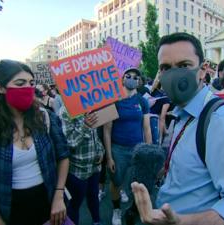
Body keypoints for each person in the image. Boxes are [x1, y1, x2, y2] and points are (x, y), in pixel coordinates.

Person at [131, 32, 224, 225]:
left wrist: (182, 221)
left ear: (203, 69)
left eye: (184, 66)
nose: (174, 74)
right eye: (165, 68)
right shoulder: (182, 113)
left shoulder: (221, 119)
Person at [0, 59, 70, 225]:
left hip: (50, 206)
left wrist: (58, 195)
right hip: (10, 212)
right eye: (20, 83)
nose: (28, 88)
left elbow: (63, 154)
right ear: (0, 88)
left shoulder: (44, 117)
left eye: (31, 83)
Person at [103, 67, 152, 225]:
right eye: (128, 75)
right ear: (122, 79)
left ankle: (132, 210)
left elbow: (147, 127)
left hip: (137, 149)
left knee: (135, 183)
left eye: (136, 77)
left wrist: (148, 151)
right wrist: (109, 156)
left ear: (139, 82)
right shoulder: (114, 100)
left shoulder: (142, 101)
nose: (132, 78)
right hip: (118, 150)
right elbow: (107, 130)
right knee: (116, 182)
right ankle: (117, 210)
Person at [60, 107, 105, 225]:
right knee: (74, 204)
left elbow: (95, 135)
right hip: (77, 170)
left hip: (95, 167)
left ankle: (96, 221)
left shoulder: (90, 105)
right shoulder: (65, 111)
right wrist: (85, 126)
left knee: (93, 197)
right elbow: (68, 143)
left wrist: (101, 151)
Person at [149, 72, 171, 145]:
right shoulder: (166, 97)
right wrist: (160, 138)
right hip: (153, 122)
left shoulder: (154, 91)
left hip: (146, 119)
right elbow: (162, 118)